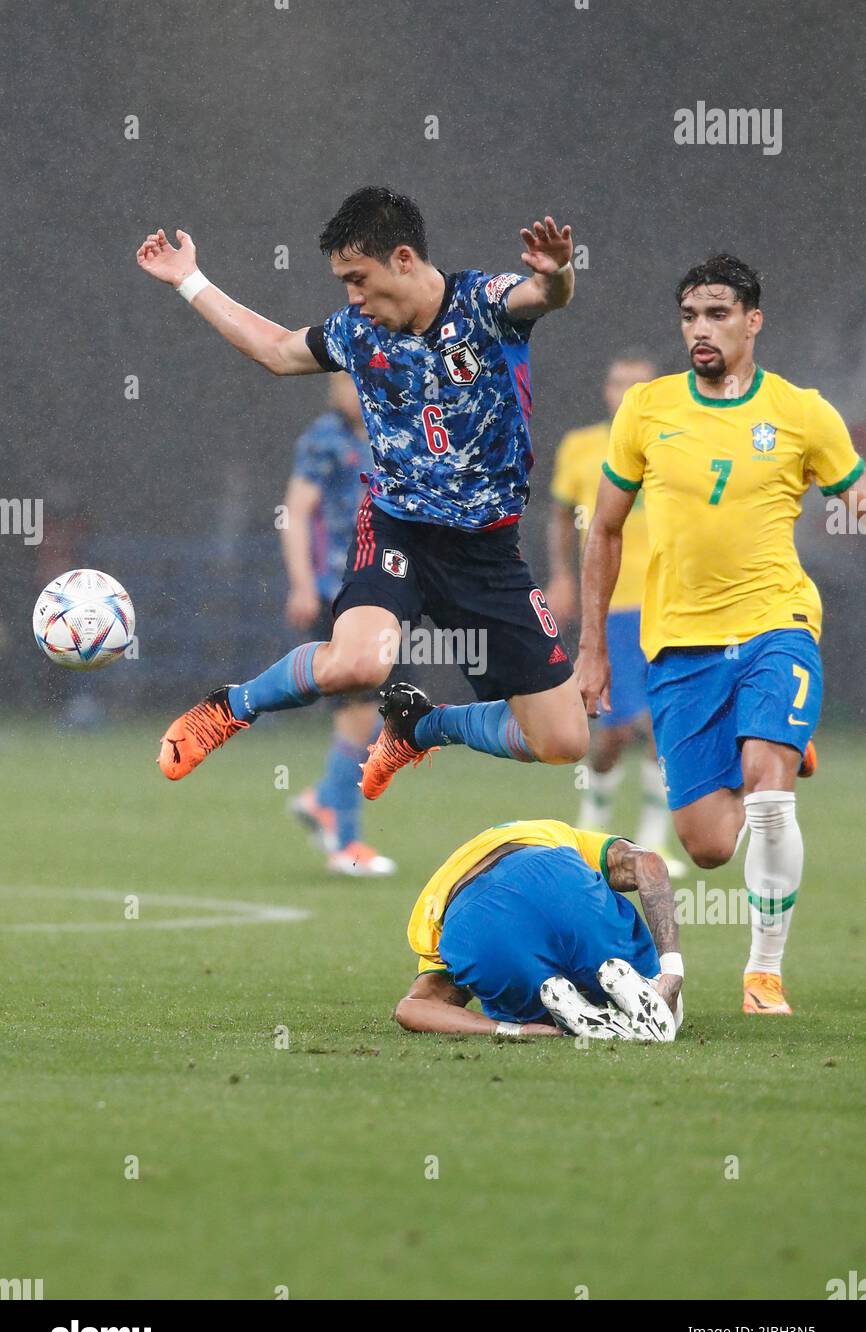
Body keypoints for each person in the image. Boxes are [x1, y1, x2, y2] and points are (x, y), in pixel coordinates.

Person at [135, 187, 589, 798]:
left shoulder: (483, 303)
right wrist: (189, 279)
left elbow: (544, 295)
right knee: (359, 663)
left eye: (358, 278)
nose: (352, 297)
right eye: (344, 282)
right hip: (397, 528)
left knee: (564, 742)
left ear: (403, 259)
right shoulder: (358, 332)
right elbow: (274, 349)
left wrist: (558, 271)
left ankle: (421, 728)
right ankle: (231, 706)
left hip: (488, 550)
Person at [576, 253, 866, 1015]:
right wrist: (592, 646)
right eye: (689, 316)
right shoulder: (647, 408)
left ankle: (763, 972)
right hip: (679, 645)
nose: (699, 330)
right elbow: (603, 530)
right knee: (705, 844)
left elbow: (854, 490)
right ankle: (776, 740)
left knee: (770, 798)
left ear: (752, 321)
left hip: (778, 622)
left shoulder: (803, 411)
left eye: (716, 314)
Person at [546, 352, 685, 875]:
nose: (627, 392)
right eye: (618, 382)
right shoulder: (581, 446)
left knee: (662, 725)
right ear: (605, 390)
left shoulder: (677, 442)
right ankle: (594, 824)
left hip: (672, 605)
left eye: (638, 384)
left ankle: (651, 841)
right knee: (614, 731)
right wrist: (561, 574)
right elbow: (562, 517)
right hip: (612, 607)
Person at [394, 819, 683, 1039]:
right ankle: (645, 984)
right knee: (658, 989)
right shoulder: (562, 835)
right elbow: (650, 864)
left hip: (469, 921)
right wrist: (672, 970)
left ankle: (558, 1014)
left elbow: (410, 1009)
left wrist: (512, 1030)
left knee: (521, 997)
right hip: (553, 875)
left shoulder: (432, 908)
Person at [284, 374, 395, 876]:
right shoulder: (324, 438)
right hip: (338, 591)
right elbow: (295, 511)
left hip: (387, 591)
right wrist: (303, 584)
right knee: (359, 711)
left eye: (352, 378)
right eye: (338, 380)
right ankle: (345, 841)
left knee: (377, 717)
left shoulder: (394, 427)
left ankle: (324, 798)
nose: (343, 388)